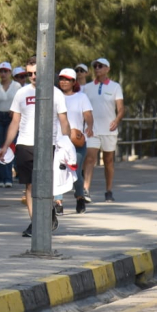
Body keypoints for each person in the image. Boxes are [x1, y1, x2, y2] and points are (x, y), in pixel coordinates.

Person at [0, 60, 70, 238]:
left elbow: (63, 120)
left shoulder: (55, 93)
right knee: (30, 185)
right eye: (30, 73)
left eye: (36, 73)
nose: (33, 76)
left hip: (49, 145)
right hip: (25, 144)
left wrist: (67, 143)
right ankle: (36, 223)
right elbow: (15, 121)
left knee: (45, 185)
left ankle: (48, 211)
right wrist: (6, 145)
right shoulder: (21, 93)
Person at [81, 57, 125, 203]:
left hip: (109, 130)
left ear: (107, 69)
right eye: (95, 66)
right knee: (90, 159)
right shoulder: (87, 88)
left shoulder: (115, 87)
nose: (97, 68)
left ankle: (109, 191)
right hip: (92, 130)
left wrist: (117, 120)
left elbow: (121, 108)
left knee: (108, 161)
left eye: (100, 66)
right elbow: (83, 108)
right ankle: (86, 189)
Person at [57, 67, 94, 214]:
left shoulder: (81, 97)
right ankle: (58, 201)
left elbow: (88, 115)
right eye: (61, 78)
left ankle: (79, 197)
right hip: (58, 140)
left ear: (73, 82)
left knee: (76, 173)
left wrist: (90, 127)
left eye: (67, 79)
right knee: (58, 172)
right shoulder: (55, 96)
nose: (63, 82)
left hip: (76, 141)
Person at [0, 61, 21, 188]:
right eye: (1, 71)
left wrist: (15, 111)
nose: (3, 74)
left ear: (10, 72)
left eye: (6, 71)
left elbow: (20, 101)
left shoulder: (17, 86)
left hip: (11, 117)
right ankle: (1, 178)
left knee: (8, 145)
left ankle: (8, 177)